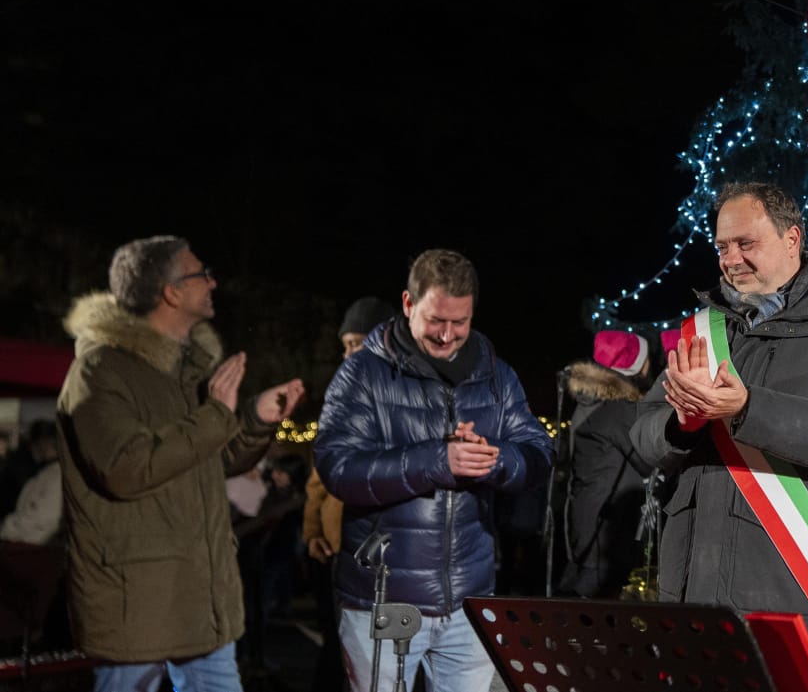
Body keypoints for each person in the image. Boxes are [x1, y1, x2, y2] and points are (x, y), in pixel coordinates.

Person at [629, 182, 808, 689]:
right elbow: (642, 442)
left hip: (798, 613)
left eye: (746, 244)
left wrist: (748, 409)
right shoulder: (703, 329)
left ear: (792, 238)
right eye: (722, 247)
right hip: (698, 609)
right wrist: (682, 425)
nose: (731, 259)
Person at [58, 235, 305, 692]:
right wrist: (215, 415)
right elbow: (126, 468)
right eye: (200, 273)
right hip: (139, 610)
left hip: (202, 604)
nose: (213, 281)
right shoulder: (99, 372)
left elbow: (207, 456)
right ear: (170, 292)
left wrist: (252, 419)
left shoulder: (185, 373)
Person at [314, 249, 553, 692]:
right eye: (435, 321)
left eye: (459, 322)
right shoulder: (362, 375)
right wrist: (435, 462)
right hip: (381, 600)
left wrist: (494, 459)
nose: (447, 336)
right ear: (408, 304)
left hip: (470, 600)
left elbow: (539, 454)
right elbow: (337, 468)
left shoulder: (498, 377)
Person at [305, 297, 394, 692]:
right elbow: (318, 477)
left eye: (355, 343)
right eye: (345, 346)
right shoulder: (343, 394)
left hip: (378, 554)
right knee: (336, 646)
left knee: (373, 658)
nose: (348, 354)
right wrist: (312, 532)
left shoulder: (397, 395)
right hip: (336, 548)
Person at [562, 352, 654, 598]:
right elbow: (648, 460)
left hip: (586, 519)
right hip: (606, 529)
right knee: (596, 609)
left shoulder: (591, 403)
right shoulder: (619, 410)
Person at [0, 421, 62, 546]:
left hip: (25, 540)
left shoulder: (53, 472)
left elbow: (42, 516)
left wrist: (6, 528)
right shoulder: (32, 469)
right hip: (20, 537)